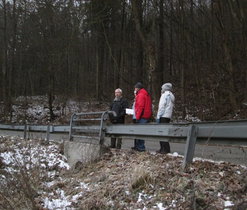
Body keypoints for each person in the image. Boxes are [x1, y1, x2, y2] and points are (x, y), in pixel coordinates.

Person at [132, 82, 152, 151]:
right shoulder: (145, 94)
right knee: (141, 132)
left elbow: (140, 107)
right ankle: (139, 147)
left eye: (135, 88)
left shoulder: (141, 95)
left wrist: (137, 117)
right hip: (146, 115)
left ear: (138, 88)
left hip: (142, 116)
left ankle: (140, 147)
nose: (134, 89)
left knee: (140, 132)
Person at [156, 83, 175, 154]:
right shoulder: (171, 95)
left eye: (162, 88)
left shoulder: (164, 95)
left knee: (161, 133)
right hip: (168, 116)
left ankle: (164, 149)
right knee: (164, 133)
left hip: (163, 116)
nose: (161, 90)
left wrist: (158, 116)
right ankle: (164, 148)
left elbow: (161, 106)